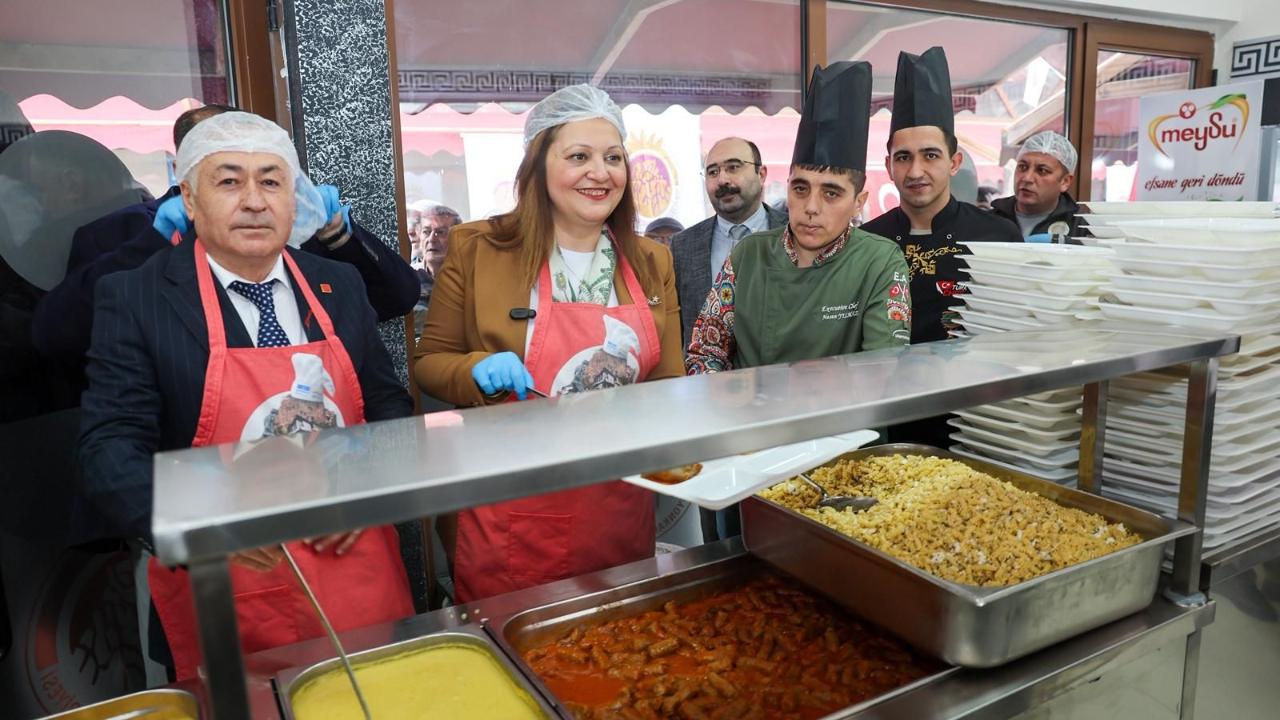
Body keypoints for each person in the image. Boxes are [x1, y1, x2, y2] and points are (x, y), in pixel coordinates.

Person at [77, 111, 415, 680]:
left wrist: (366, 485)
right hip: (222, 581)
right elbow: (110, 445)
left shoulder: (339, 283)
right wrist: (199, 527)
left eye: (272, 181)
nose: (255, 201)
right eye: (229, 181)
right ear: (189, 197)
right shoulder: (137, 295)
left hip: (353, 563)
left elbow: (388, 405)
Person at [415, 84, 682, 602]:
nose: (599, 173)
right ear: (538, 166)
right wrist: (474, 370)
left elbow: (668, 383)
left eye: (612, 158)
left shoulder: (652, 261)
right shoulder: (480, 248)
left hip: (618, 502)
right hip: (511, 504)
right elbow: (429, 364)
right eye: (578, 156)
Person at [30, 103, 419, 364]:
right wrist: (156, 240)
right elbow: (57, 334)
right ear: (187, 164)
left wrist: (337, 233)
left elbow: (397, 296)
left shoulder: (285, 220)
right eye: (228, 171)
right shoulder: (123, 231)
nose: (252, 200)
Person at [685, 61, 911, 372]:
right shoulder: (749, 254)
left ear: (859, 201)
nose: (811, 207)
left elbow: (884, 367)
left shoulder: (880, 261)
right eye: (801, 188)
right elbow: (704, 352)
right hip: (753, 416)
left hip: (846, 420)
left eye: (831, 193)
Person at [860, 47, 1021, 449]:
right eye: (904, 158)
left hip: (978, 423)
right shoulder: (866, 242)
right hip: (885, 424)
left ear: (953, 162)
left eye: (930, 155)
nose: (916, 172)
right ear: (889, 166)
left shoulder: (999, 236)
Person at [670, 137, 786, 349]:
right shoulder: (682, 247)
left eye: (733, 167)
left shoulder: (794, 233)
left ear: (761, 175)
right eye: (712, 172)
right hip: (706, 378)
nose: (722, 179)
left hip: (783, 376)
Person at [991, 131, 1085, 241]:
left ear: (1065, 182)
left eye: (1042, 171)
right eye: (1022, 167)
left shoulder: (1080, 228)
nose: (1027, 178)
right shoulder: (989, 220)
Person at [409, 202, 462, 338]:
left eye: (440, 232)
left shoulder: (467, 281)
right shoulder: (408, 278)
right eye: (426, 232)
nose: (432, 239)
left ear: (458, 239)